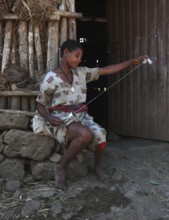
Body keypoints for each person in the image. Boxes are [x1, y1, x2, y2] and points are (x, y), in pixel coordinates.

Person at [32, 39, 148, 188]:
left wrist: (132, 62)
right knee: (85, 134)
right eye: (77, 55)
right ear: (65, 52)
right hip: (61, 119)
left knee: (100, 133)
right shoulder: (50, 78)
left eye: (80, 57)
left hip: (81, 117)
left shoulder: (82, 73)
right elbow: (40, 104)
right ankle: (60, 168)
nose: (79, 60)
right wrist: (49, 117)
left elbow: (108, 69)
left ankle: (97, 166)